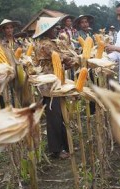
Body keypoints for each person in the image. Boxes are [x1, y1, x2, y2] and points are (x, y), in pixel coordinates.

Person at [33, 17, 76, 159]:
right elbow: (61, 57)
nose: (57, 29)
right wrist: (76, 59)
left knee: (61, 114)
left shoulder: (49, 42)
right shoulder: (45, 44)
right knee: (55, 117)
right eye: (54, 28)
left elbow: (61, 59)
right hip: (50, 86)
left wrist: (69, 62)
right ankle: (56, 150)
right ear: (47, 30)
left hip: (56, 83)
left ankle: (65, 145)